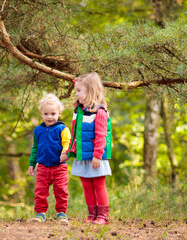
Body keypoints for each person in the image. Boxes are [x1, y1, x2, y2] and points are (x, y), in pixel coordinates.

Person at [60, 72, 112, 225]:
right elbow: (75, 136)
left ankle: (103, 216)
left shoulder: (100, 112)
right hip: (82, 156)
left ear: (90, 91)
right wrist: (68, 153)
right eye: (76, 90)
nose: (76, 94)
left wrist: (97, 155)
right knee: (87, 186)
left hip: (96, 157)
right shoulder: (78, 112)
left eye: (79, 91)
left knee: (98, 185)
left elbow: (101, 136)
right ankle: (92, 214)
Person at [29, 93, 71, 224]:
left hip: (59, 167)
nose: (49, 117)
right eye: (46, 114)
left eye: (53, 114)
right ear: (41, 114)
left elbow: (67, 143)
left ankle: (61, 213)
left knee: (61, 191)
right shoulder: (38, 131)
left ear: (59, 113)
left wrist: (65, 152)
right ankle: (40, 213)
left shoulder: (62, 128)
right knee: (40, 191)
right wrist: (32, 163)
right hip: (42, 167)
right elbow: (35, 148)